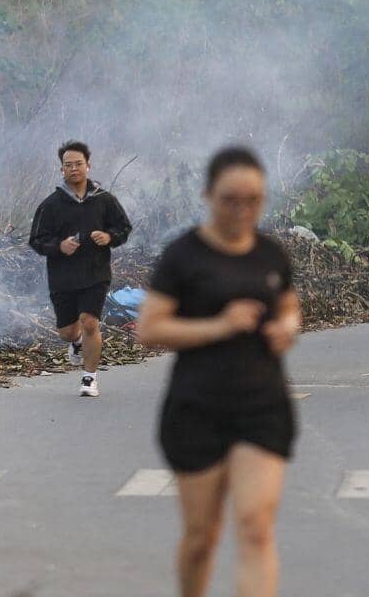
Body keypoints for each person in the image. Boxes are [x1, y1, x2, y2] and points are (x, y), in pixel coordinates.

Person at [135, 147, 301, 597]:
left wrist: (287, 328)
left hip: (262, 408)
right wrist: (219, 325)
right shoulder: (183, 257)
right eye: (231, 199)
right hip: (197, 410)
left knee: (255, 528)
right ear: (208, 194)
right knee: (201, 539)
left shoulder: (271, 254)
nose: (243, 209)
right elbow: (148, 328)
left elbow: (289, 307)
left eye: (254, 199)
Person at [28, 140, 132, 397]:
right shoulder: (51, 205)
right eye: (68, 165)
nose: (73, 169)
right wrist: (59, 246)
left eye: (78, 164)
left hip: (95, 273)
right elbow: (37, 240)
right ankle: (75, 344)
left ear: (88, 166)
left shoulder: (105, 200)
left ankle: (89, 378)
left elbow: (123, 228)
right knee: (67, 331)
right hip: (63, 277)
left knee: (89, 322)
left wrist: (109, 237)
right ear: (62, 170)